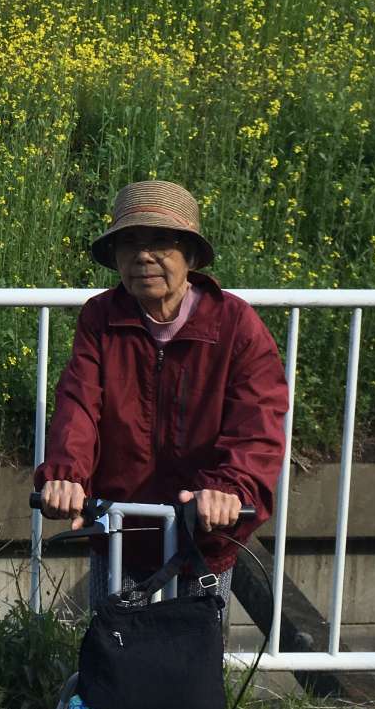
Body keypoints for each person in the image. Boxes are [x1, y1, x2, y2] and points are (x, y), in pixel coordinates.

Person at [35, 178, 288, 622]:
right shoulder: (101, 317)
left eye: (160, 242)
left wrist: (231, 489)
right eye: (129, 243)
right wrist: (66, 476)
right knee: (114, 647)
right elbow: (79, 404)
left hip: (203, 527)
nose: (143, 256)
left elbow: (258, 423)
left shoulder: (235, 324)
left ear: (190, 256)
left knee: (194, 650)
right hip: (120, 524)